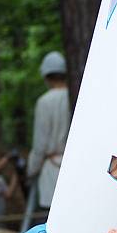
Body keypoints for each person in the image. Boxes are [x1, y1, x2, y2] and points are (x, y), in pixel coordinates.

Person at [27, 51, 71, 210]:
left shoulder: (44, 102)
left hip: (51, 172)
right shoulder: (75, 96)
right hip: (73, 168)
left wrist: (31, 169)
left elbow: (40, 144)